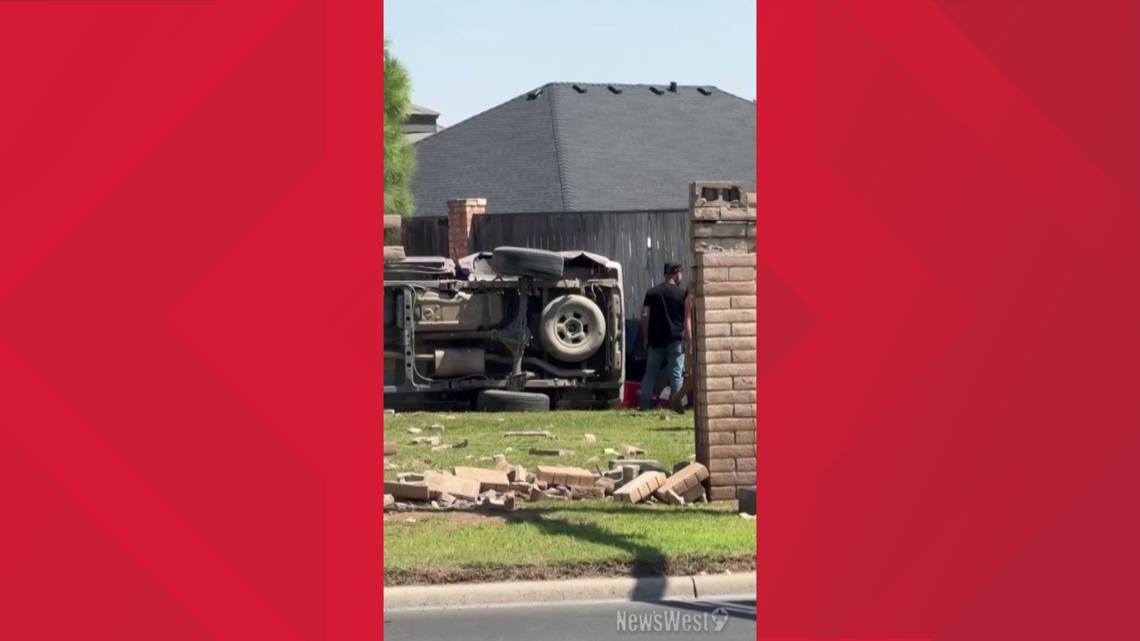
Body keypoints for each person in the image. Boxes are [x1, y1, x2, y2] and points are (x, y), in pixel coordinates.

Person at [639, 262, 692, 411]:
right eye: (681, 273)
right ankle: (678, 404)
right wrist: (689, 340)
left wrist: (645, 337)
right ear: (676, 274)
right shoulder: (683, 294)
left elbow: (644, 315)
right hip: (675, 340)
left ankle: (644, 404)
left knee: (650, 372)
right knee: (676, 372)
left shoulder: (652, 292)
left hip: (655, 340)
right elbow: (687, 319)